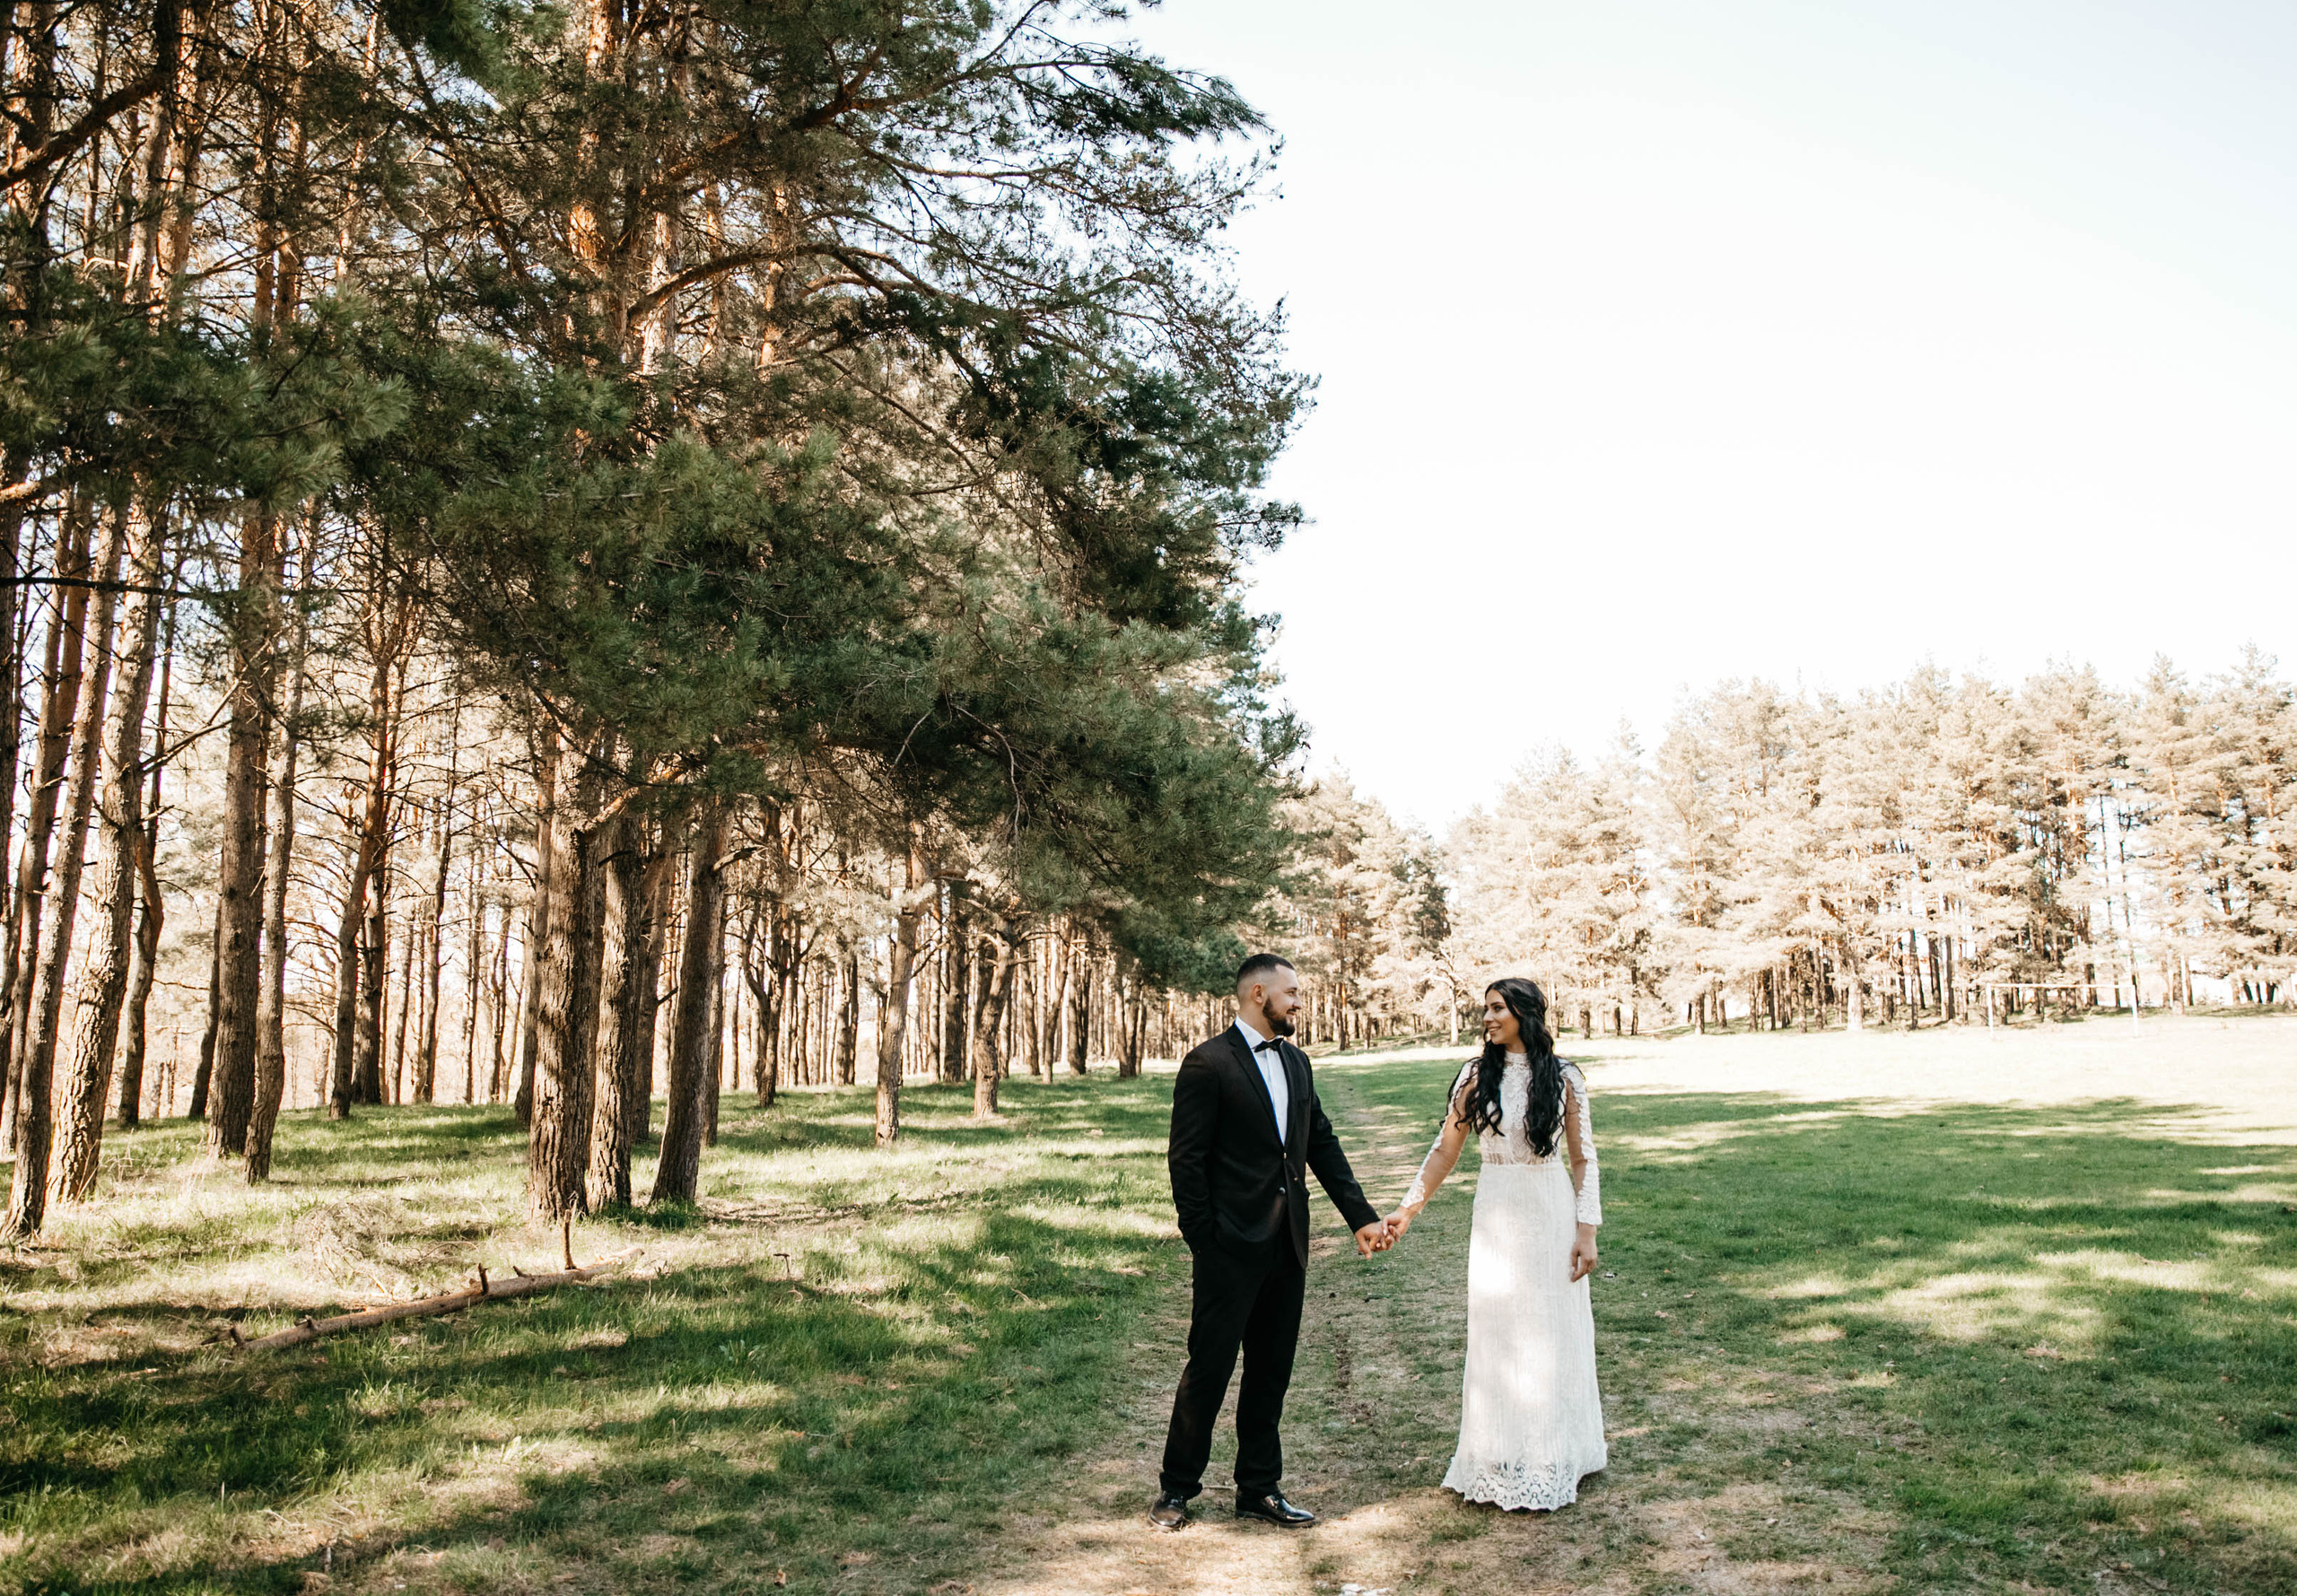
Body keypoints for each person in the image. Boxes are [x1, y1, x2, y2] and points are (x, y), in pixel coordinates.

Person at [1150, 953, 1392, 1532]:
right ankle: (1176, 1487)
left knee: (1270, 1372)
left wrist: (1360, 1217)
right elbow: (1186, 1161)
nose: (1299, 1003)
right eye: (1292, 993)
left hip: (1288, 1245)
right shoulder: (1208, 1063)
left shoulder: (1297, 1062)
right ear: (1259, 994)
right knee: (1209, 1369)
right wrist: (1205, 1240)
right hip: (1228, 1248)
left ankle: (1258, 1488)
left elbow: (1320, 1143)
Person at [1383, 977, 1607, 1512]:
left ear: (1525, 1013)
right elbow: (1445, 1150)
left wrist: (1586, 1229)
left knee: (1550, 1331)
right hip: (1497, 1209)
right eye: (1486, 1008)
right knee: (1500, 1330)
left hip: (1550, 1210)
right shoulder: (1475, 1075)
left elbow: (1583, 1158)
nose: (1487, 1018)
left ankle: (1555, 1453)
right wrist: (1406, 1209)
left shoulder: (1566, 1077)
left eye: (1497, 1008)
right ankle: (1497, 1452)